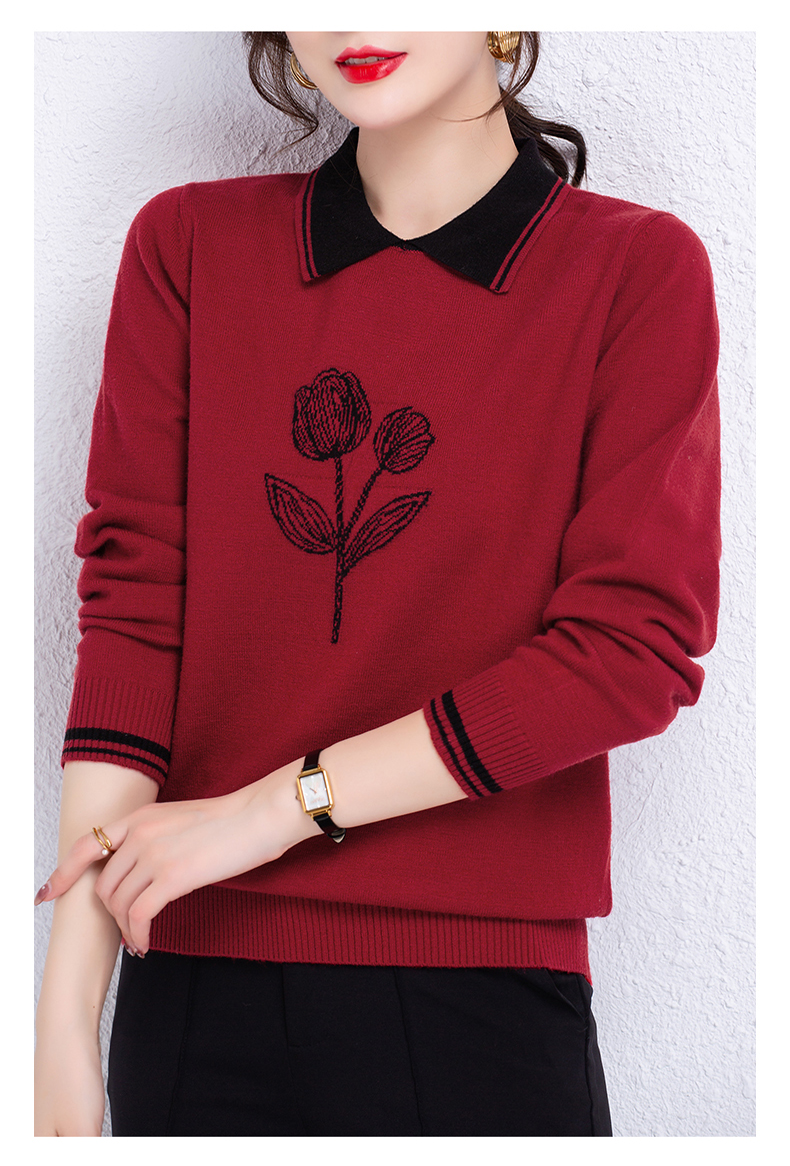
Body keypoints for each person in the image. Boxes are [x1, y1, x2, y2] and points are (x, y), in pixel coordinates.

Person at [33, 31, 720, 1137]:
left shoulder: (631, 270)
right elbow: (135, 613)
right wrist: (67, 1010)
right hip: (188, 992)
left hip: (478, 1001)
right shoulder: (189, 245)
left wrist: (275, 809)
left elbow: (627, 653)